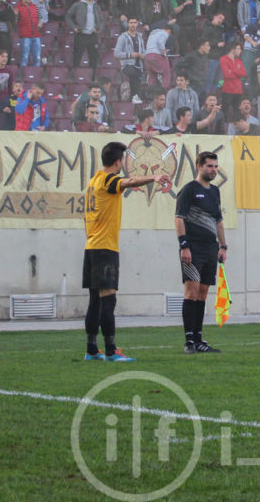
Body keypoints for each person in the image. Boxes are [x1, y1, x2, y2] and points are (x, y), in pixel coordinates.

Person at [82, 141, 169, 362]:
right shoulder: (109, 180)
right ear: (118, 161)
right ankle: (111, 350)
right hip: (104, 247)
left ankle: (92, 349)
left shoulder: (93, 181)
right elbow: (127, 182)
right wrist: (153, 177)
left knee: (95, 300)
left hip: (91, 246)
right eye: (123, 162)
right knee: (108, 298)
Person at [175, 151, 227, 353]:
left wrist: (222, 246)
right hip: (193, 247)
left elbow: (218, 221)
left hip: (210, 248)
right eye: (209, 166)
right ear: (199, 166)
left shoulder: (215, 191)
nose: (213, 170)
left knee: (203, 293)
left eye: (215, 166)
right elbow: (179, 218)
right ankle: (188, 341)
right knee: (192, 291)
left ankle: (199, 339)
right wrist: (184, 245)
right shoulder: (188, 190)